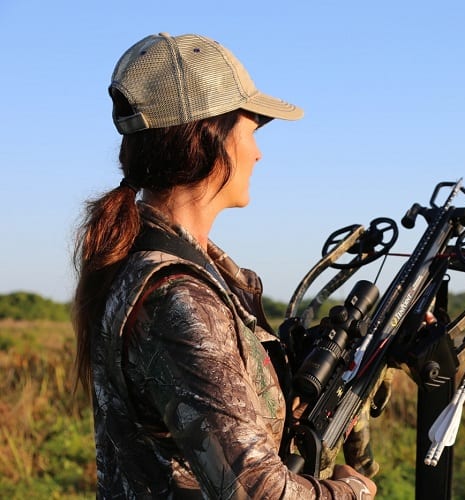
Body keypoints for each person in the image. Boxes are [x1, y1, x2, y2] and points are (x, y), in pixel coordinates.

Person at [72, 32, 377, 499]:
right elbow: (255, 492)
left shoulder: (171, 268)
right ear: (209, 137)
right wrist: (350, 491)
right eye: (251, 129)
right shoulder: (177, 296)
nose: (258, 152)